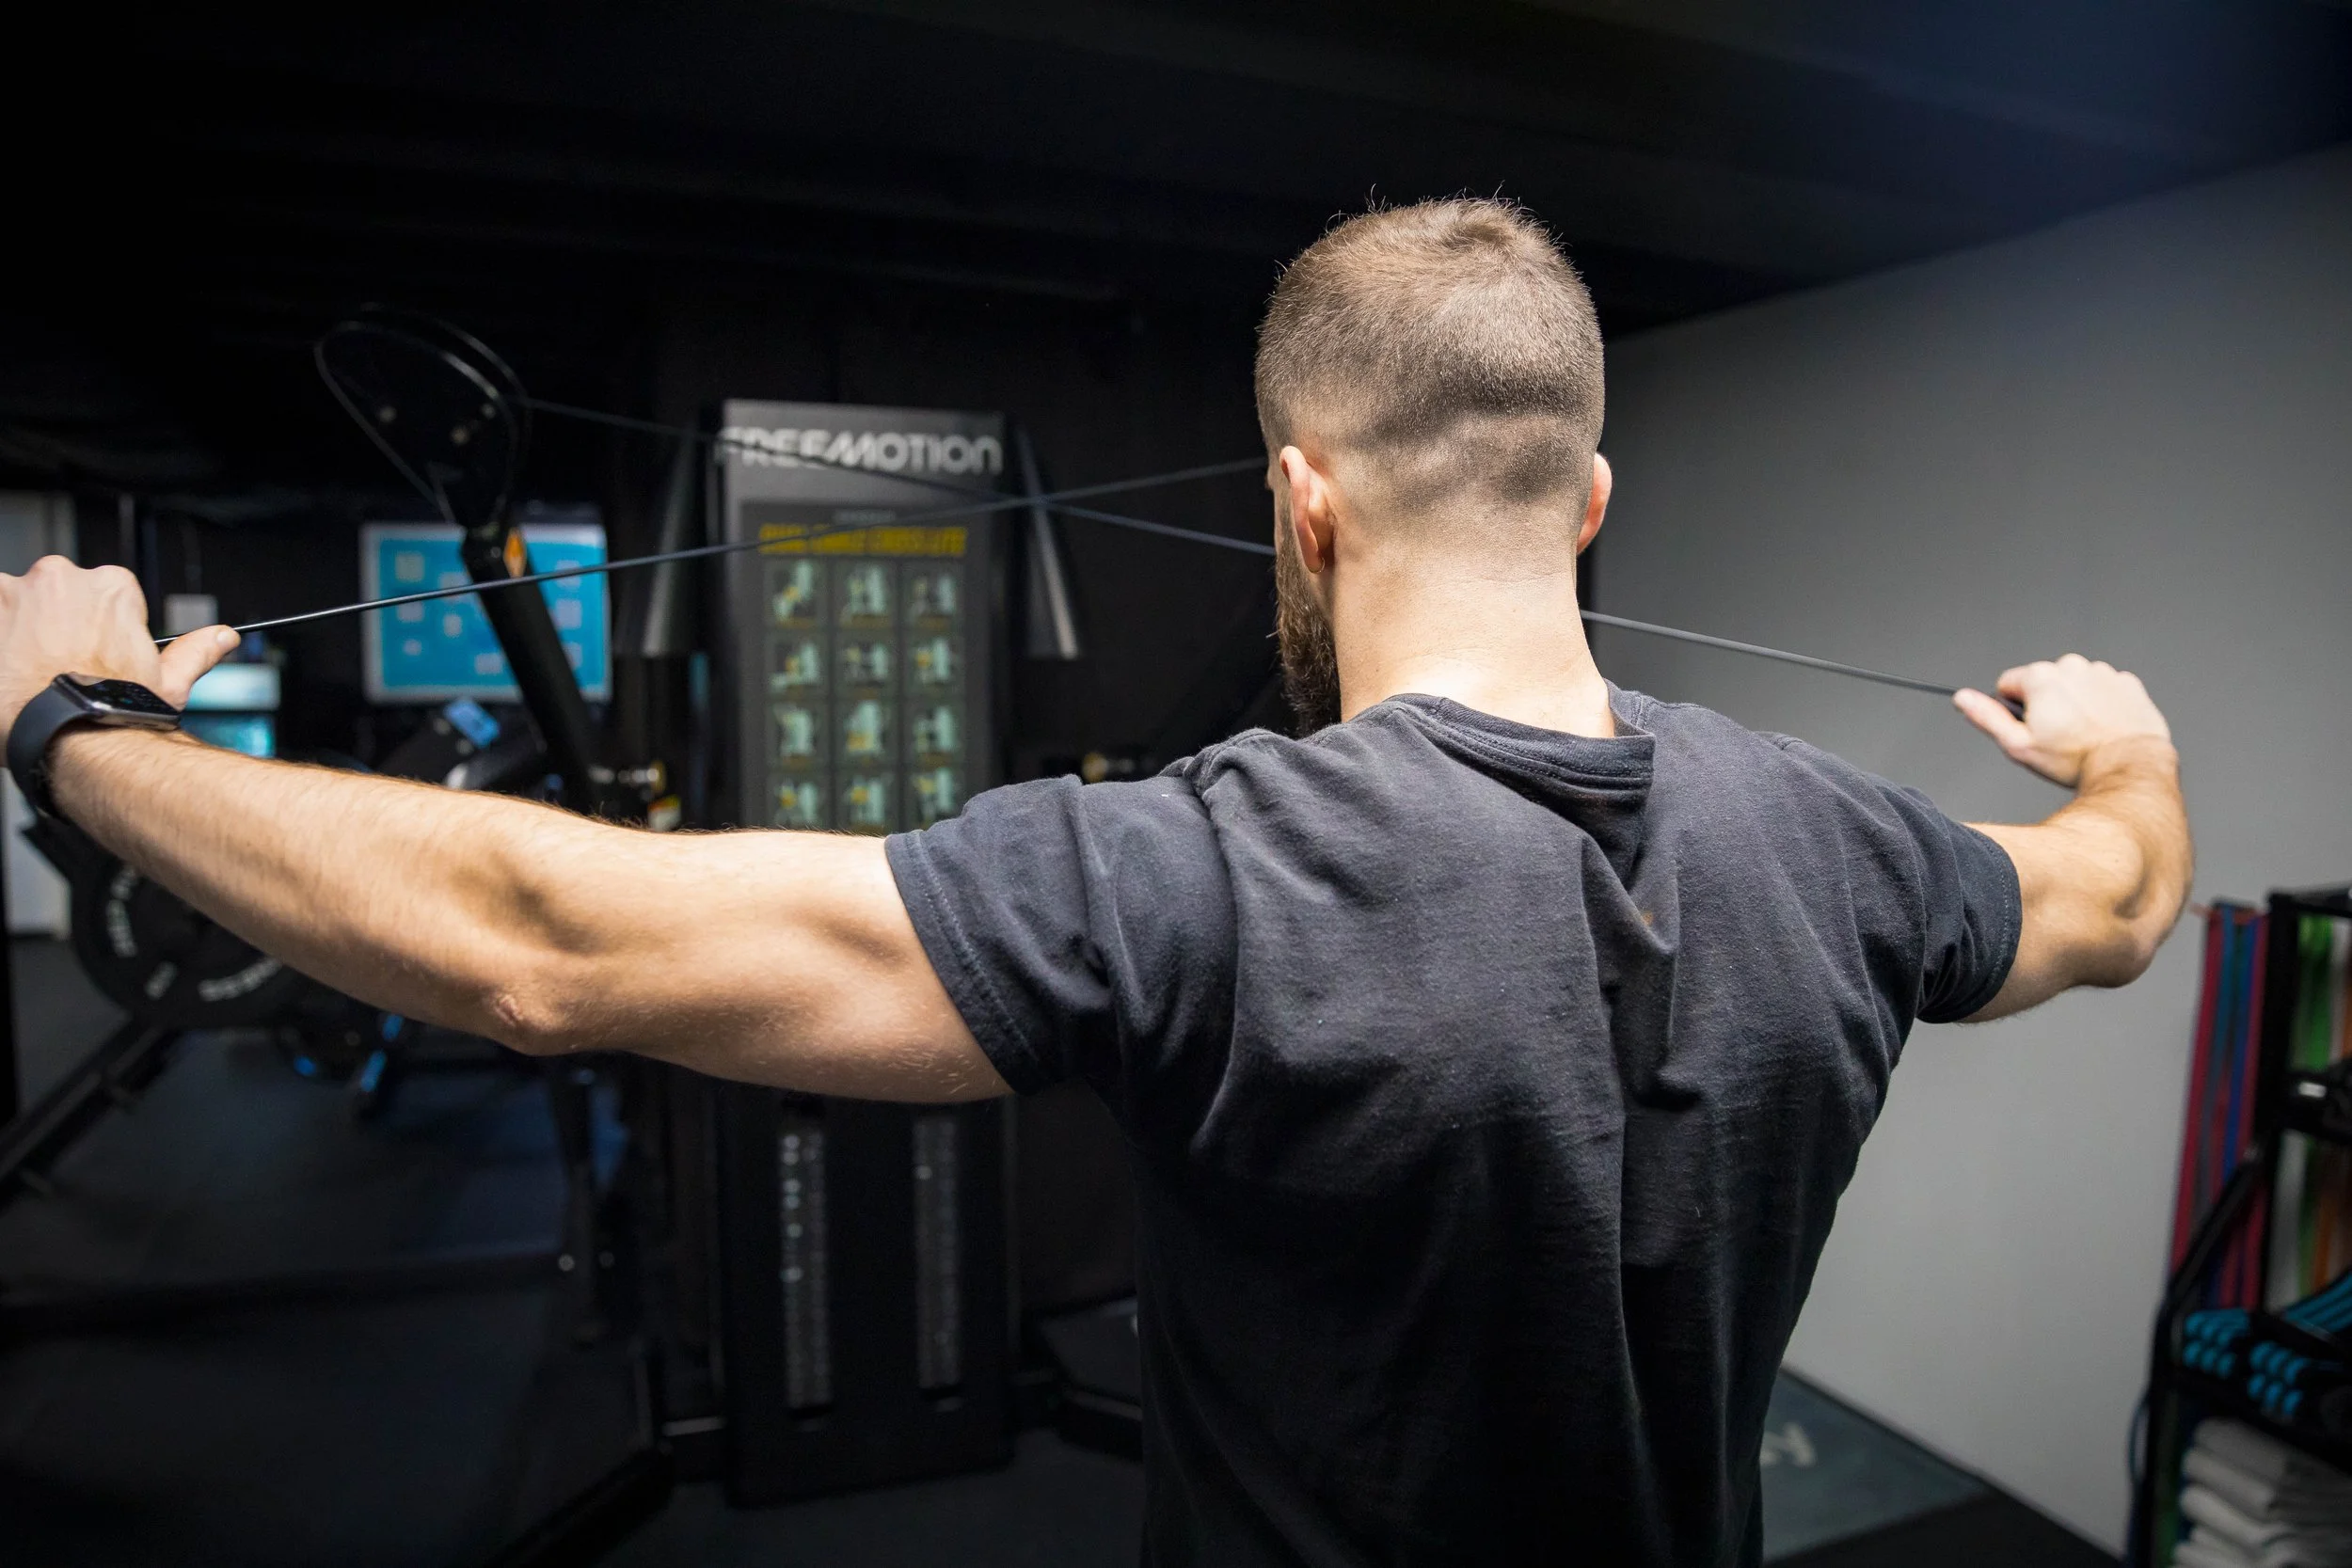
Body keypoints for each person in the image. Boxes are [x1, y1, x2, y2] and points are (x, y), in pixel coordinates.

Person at [0, 199, 2188, 1565]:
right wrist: (2126, 744)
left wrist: (71, 732)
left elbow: (541, 947)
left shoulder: (1205, 870)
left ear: (1300, 503)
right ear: (1589, 493)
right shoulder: (1845, 838)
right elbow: (2112, 895)